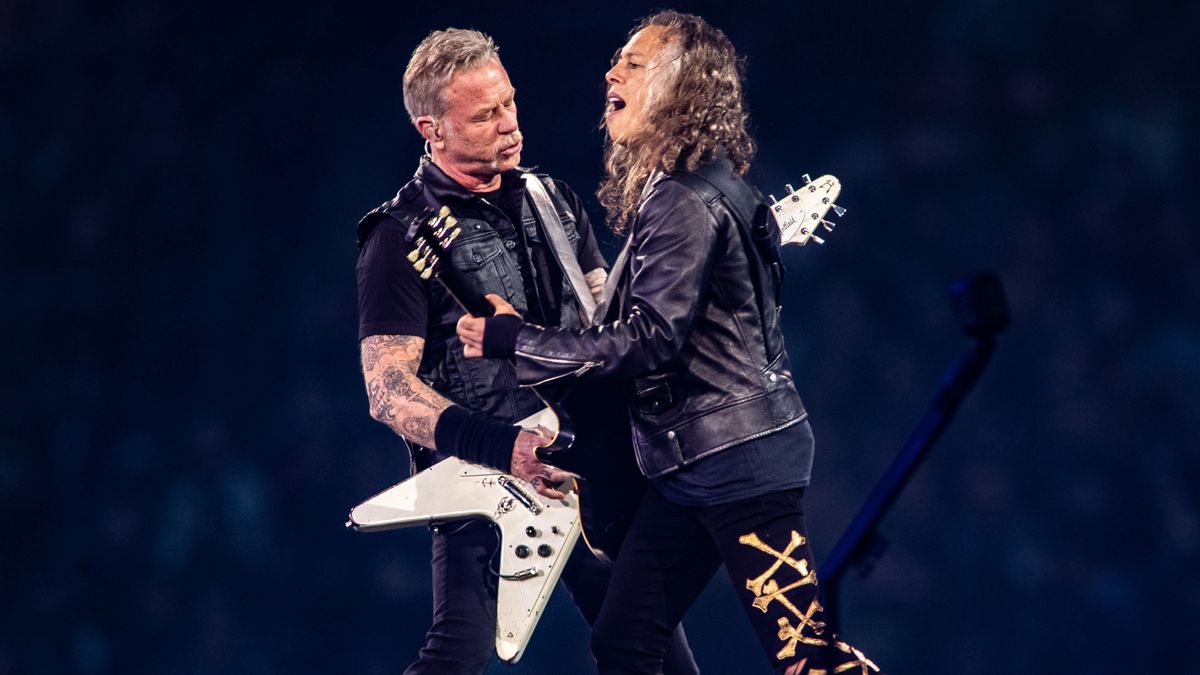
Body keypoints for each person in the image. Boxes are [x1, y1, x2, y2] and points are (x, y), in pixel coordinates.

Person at [458, 12, 883, 675]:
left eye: (634, 62)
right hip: (697, 468)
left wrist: (516, 338)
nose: (611, 72)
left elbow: (650, 339)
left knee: (804, 656)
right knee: (626, 639)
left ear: (681, 86)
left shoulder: (684, 198)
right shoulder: (689, 187)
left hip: (736, 466)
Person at [354, 27, 698, 675]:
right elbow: (388, 391)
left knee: (650, 650)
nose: (510, 124)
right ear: (432, 128)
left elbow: (612, 331)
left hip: (583, 473)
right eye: (485, 115)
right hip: (485, 482)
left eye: (510, 102)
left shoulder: (555, 201)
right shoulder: (397, 235)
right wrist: (501, 446)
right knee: (458, 653)